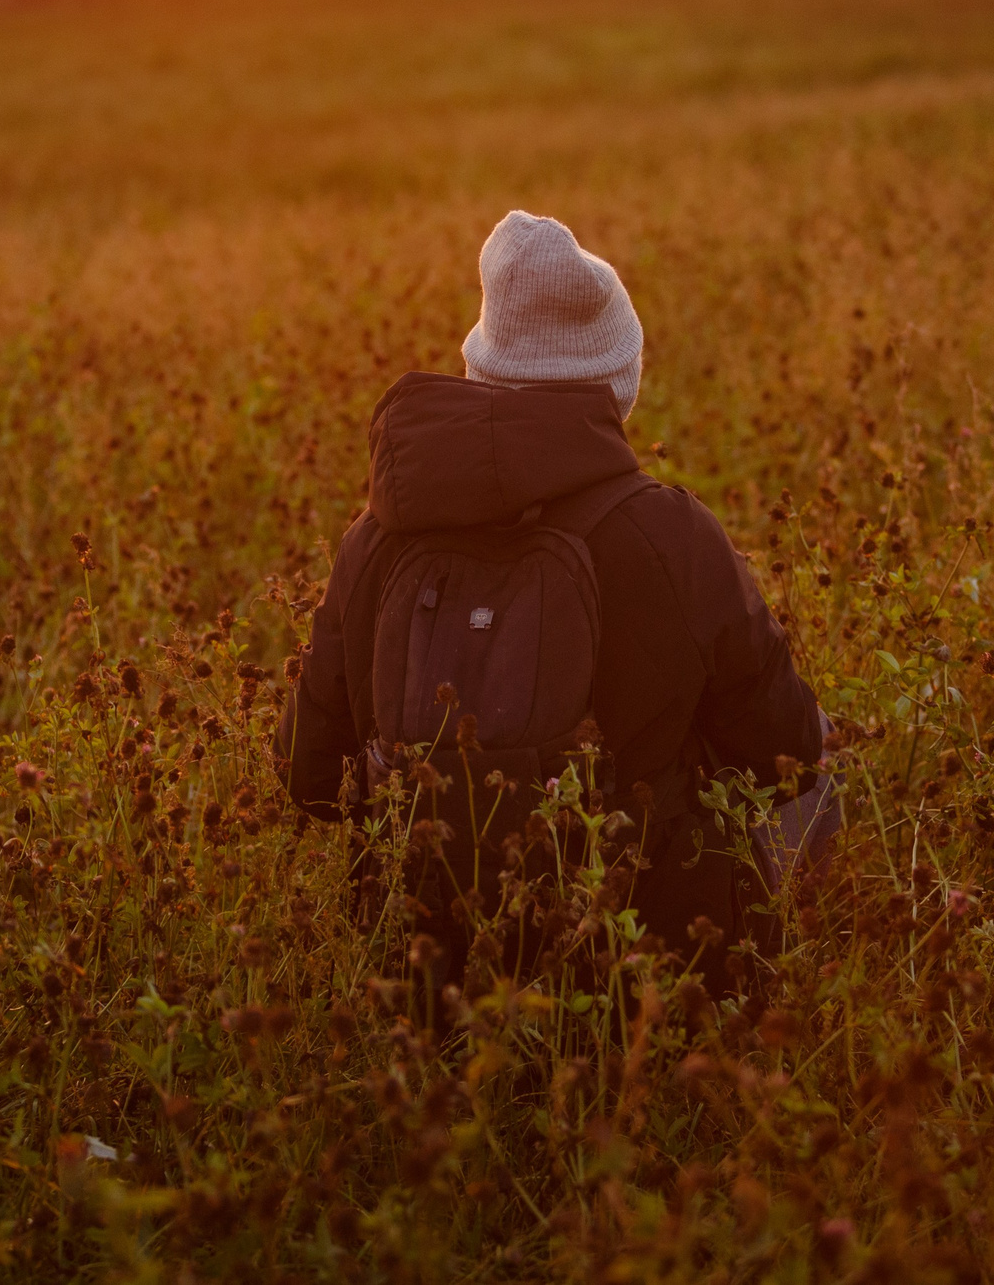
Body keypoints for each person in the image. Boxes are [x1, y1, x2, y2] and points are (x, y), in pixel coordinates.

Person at [276, 209, 823, 994]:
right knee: (835, 766)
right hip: (650, 976)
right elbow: (790, 755)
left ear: (481, 367)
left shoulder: (376, 538)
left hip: (425, 979)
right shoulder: (668, 533)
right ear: (614, 385)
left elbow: (307, 779)